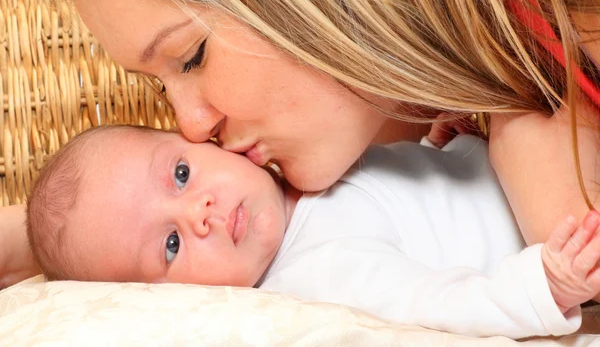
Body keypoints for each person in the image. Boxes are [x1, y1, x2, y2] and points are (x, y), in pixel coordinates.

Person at [2, 0, 600, 287]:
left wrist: (527, 130)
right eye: (163, 87)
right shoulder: (403, 104)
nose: (191, 125)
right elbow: (107, 220)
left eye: (191, 58)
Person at [24, 124, 600, 339]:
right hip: (559, 225)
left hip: (519, 153)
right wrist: (545, 285)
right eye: (171, 245)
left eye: (180, 174)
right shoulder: (320, 274)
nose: (199, 211)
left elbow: (406, 200)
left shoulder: (301, 158)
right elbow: (440, 303)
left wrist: (440, 149)